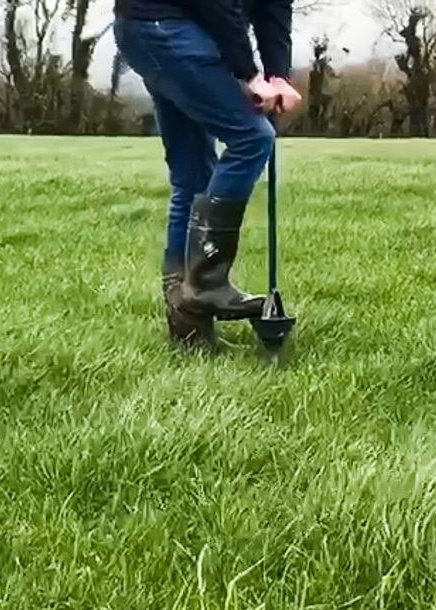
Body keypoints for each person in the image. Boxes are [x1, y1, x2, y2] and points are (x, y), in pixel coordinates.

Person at [113, 0, 303, 349]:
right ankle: (207, 285)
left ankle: (189, 329)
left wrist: (277, 75)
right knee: (252, 136)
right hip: (163, 23)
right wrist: (247, 74)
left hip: (161, 27)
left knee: (193, 172)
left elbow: (273, 7)